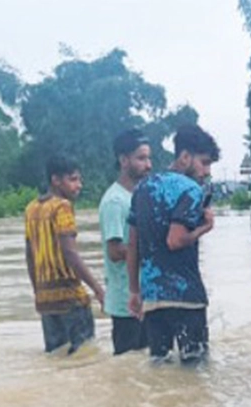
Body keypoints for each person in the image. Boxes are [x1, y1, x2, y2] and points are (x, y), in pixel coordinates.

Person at [127, 124, 219, 364]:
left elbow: (133, 245)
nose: (207, 171)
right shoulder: (191, 190)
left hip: (153, 299)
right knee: (195, 370)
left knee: (159, 369)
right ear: (185, 157)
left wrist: (134, 291)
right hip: (186, 297)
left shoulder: (142, 188)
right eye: (204, 162)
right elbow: (175, 240)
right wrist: (204, 228)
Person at [25, 155, 105, 354]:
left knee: (56, 359)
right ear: (56, 180)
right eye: (73, 179)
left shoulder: (31, 208)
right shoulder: (62, 206)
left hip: (46, 301)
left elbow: (30, 255)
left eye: (79, 179)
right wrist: (97, 289)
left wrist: (38, 291)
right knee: (84, 359)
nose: (79, 185)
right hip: (70, 299)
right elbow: (70, 252)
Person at [99, 129, 153, 354]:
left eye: (149, 158)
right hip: (126, 304)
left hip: (145, 297)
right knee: (129, 365)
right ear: (123, 160)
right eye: (141, 158)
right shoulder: (115, 201)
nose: (148, 165)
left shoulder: (140, 196)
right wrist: (152, 251)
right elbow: (115, 250)